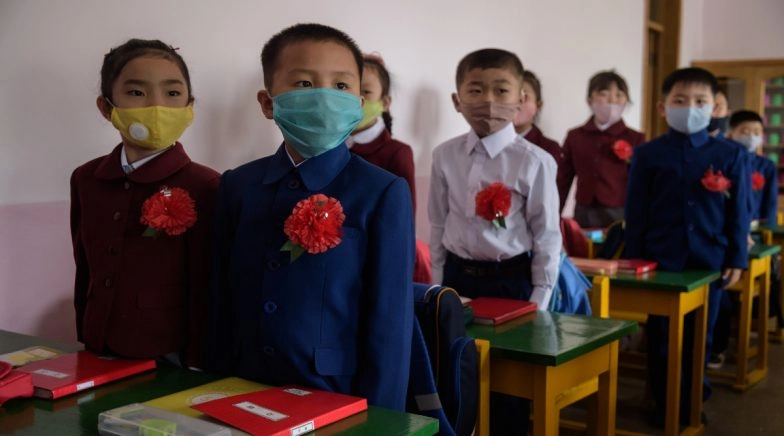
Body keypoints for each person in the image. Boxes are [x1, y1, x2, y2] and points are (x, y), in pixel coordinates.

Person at [204, 23, 414, 411]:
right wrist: (215, 389)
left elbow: (390, 324)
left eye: (341, 86)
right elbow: (221, 298)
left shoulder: (382, 192)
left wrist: (383, 419)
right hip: (244, 387)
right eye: (303, 83)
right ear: (268, 103)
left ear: (358, 101)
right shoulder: (238, 185)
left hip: (335, 393)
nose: (323, 98)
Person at [428, 48, 561, 434]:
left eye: (501, 90)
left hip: (511, 281)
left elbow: (548, 235)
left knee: (507, 388)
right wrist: (439, 285)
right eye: (475, 90)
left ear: (521, 98)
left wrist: (539, 300)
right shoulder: (444, 155)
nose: (488, 100)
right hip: (457, 277)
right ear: (457, 100)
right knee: (455, 372)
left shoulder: (534, 161)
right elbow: (438, 223)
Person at [70, 39, 219, 368]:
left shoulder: (205, 184)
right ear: (107, 107)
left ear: (189, 106)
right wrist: (85, 330)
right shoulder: (86, 178)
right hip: (98, 342)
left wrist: (197, 360)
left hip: (168, 350)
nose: (157, 105)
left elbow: (206, 284)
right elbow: (85, 266)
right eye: (136, 93)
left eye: (172, 93)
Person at [624, 67, 750, 426]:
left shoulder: (730, 154)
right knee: (661, 337)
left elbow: (739, 212)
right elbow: (636, 210)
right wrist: (635, 258)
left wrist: (737, 258)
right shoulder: (648, 154)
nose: (690, 108)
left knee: (701, 336)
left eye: (700, 101)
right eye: (680, 101)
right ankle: (663, 401)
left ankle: (694, 399)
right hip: (660, 259)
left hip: (708, 259)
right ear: (664, 107)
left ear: (715, 108)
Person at [710, 109, 779, 368]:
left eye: (756, 133)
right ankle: (718, 345)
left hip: (754, 233)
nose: (751, 137)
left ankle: (735, 341)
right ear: (731, 133)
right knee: (723, 295)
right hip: (726, 233)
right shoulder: (723, 158)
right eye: (745, 132)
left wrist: (762, 231)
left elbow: (769, 205)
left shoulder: (765, 166)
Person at [558, 70, 646, 228]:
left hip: (620, 210)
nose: (612, 100)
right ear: (589, 100)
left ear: (626, 101)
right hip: (584, 209)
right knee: (583, 250)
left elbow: (642, 183)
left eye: (619, 95)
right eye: (604, 93)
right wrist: (555, 213)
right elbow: (563, 179)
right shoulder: (575, 136)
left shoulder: (636, 138)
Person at [348, 53, 416, 209]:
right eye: (347, 89)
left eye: (366, 92)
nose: (357, 99)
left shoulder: (398, 153)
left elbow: (405, 214)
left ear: (385, 102)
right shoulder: (328, 146)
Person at [512, 70, 562, 167]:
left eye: (525, 96)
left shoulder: (550, 148)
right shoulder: (488, 142)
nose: (517, 102)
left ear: (538, 105)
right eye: (511, 95)